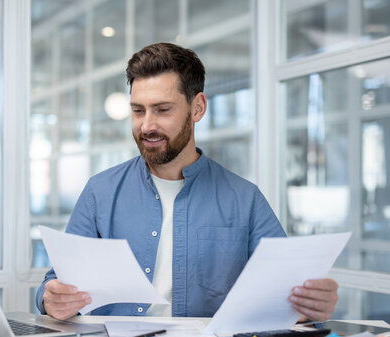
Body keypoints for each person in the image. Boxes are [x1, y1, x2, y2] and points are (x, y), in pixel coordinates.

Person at [35, 43, 338, 322]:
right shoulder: (99, 192)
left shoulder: (245, 200)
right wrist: (52, 299)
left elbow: (284, 296)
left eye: (163, 109)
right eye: (138, 110)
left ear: (198, 108)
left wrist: (308, 306)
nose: (147, 125)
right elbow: (55, 283)